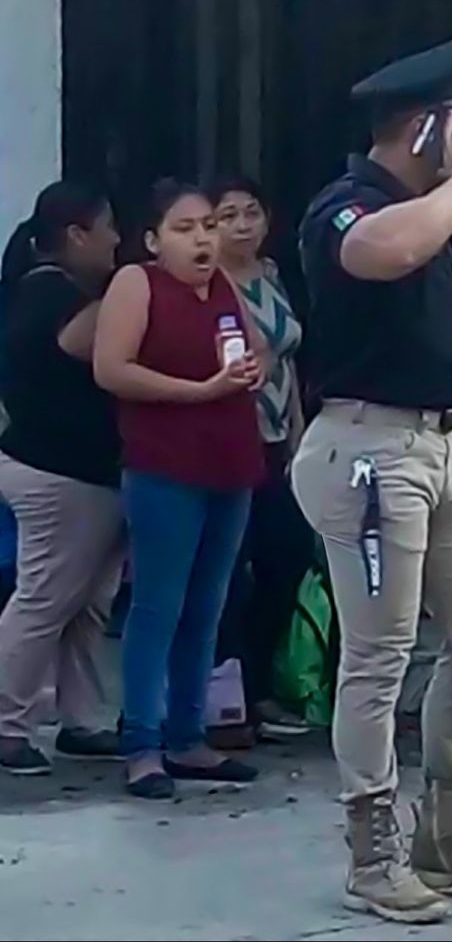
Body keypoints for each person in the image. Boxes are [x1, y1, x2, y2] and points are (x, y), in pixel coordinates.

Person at [293, 35, 452, 924]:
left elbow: (443, 353)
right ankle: (374, 853)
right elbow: (381, 255)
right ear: (426, 126)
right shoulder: (348, 206)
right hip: (364, 451)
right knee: (378, 656)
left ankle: (449, 830)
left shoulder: (433, 222)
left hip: (438, 446)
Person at [94, 180, 267, 799]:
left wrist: (247, 370)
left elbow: (256, 353)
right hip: (165, 464)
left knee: (208, 605)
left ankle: (190, 736)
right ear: (152, 239)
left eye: (208, 227)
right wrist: (198, 391)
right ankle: (143, 741)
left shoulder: (223, 287)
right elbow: (111, 368)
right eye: (185, 229)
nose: (202, 239)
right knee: (157, 606)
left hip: (230, 460)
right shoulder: (137, 285)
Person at [0, 181, 123, 776]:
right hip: (58, 473)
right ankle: (7, 725)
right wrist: (132, 289)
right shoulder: (52, 296)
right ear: (76, 236)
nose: (117, 242)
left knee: (85, 607)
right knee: (46, 600)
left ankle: (84, 720)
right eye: (108, 229)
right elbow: (83, 348)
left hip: (82, 473)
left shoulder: (49, 291)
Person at [212, 176, 315, 736]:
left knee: (287, 558)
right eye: (228, 215)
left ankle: (258, 686)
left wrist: (298, 428)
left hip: (278, 439)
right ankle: (224, 700)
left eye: (252, 212)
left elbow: (288, 360)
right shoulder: (206, 281)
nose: (242, 225)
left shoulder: (272, 275)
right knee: (229, 573)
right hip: (230, 440)